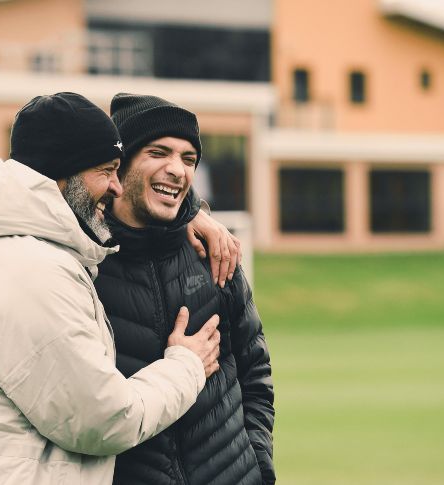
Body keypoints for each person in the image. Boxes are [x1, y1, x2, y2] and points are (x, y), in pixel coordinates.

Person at [0, 92, 237, 484]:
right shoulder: (28, 271)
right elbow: (104, 420)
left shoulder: (6, 236)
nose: (115, 187)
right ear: (62, 173)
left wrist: (187, 213)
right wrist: (187, 365)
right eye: (106, 170)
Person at [94, 93, 275, 485]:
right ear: (118, 166)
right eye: (159, 153)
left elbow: (255, 373)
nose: (177, 170)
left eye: (189, 159)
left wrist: (258, 465)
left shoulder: (215, 255)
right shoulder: (84, 266)